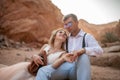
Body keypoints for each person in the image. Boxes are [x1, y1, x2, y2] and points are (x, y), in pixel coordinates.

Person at [34, 14, 103, 80]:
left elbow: (99, 51)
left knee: (83, 56)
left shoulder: (87, 37)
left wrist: (82, 50)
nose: (67, 27)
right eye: (65, 25)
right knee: (43, 71)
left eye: (70, 23)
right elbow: (55, 46)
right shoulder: (65, 38)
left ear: (77, 22)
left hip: (77, 69)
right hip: (64, 68)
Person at [0, 28, 73, 80]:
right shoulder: (46, 46)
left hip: (42, 75)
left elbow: (56, 68)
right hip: (31, 69)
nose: (63, 34)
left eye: (65, 34)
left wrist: (63, 59)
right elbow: (36, 56)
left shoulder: (63, 53)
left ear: (65, 40)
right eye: (60, 32)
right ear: (54, 36)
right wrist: (34, 56)